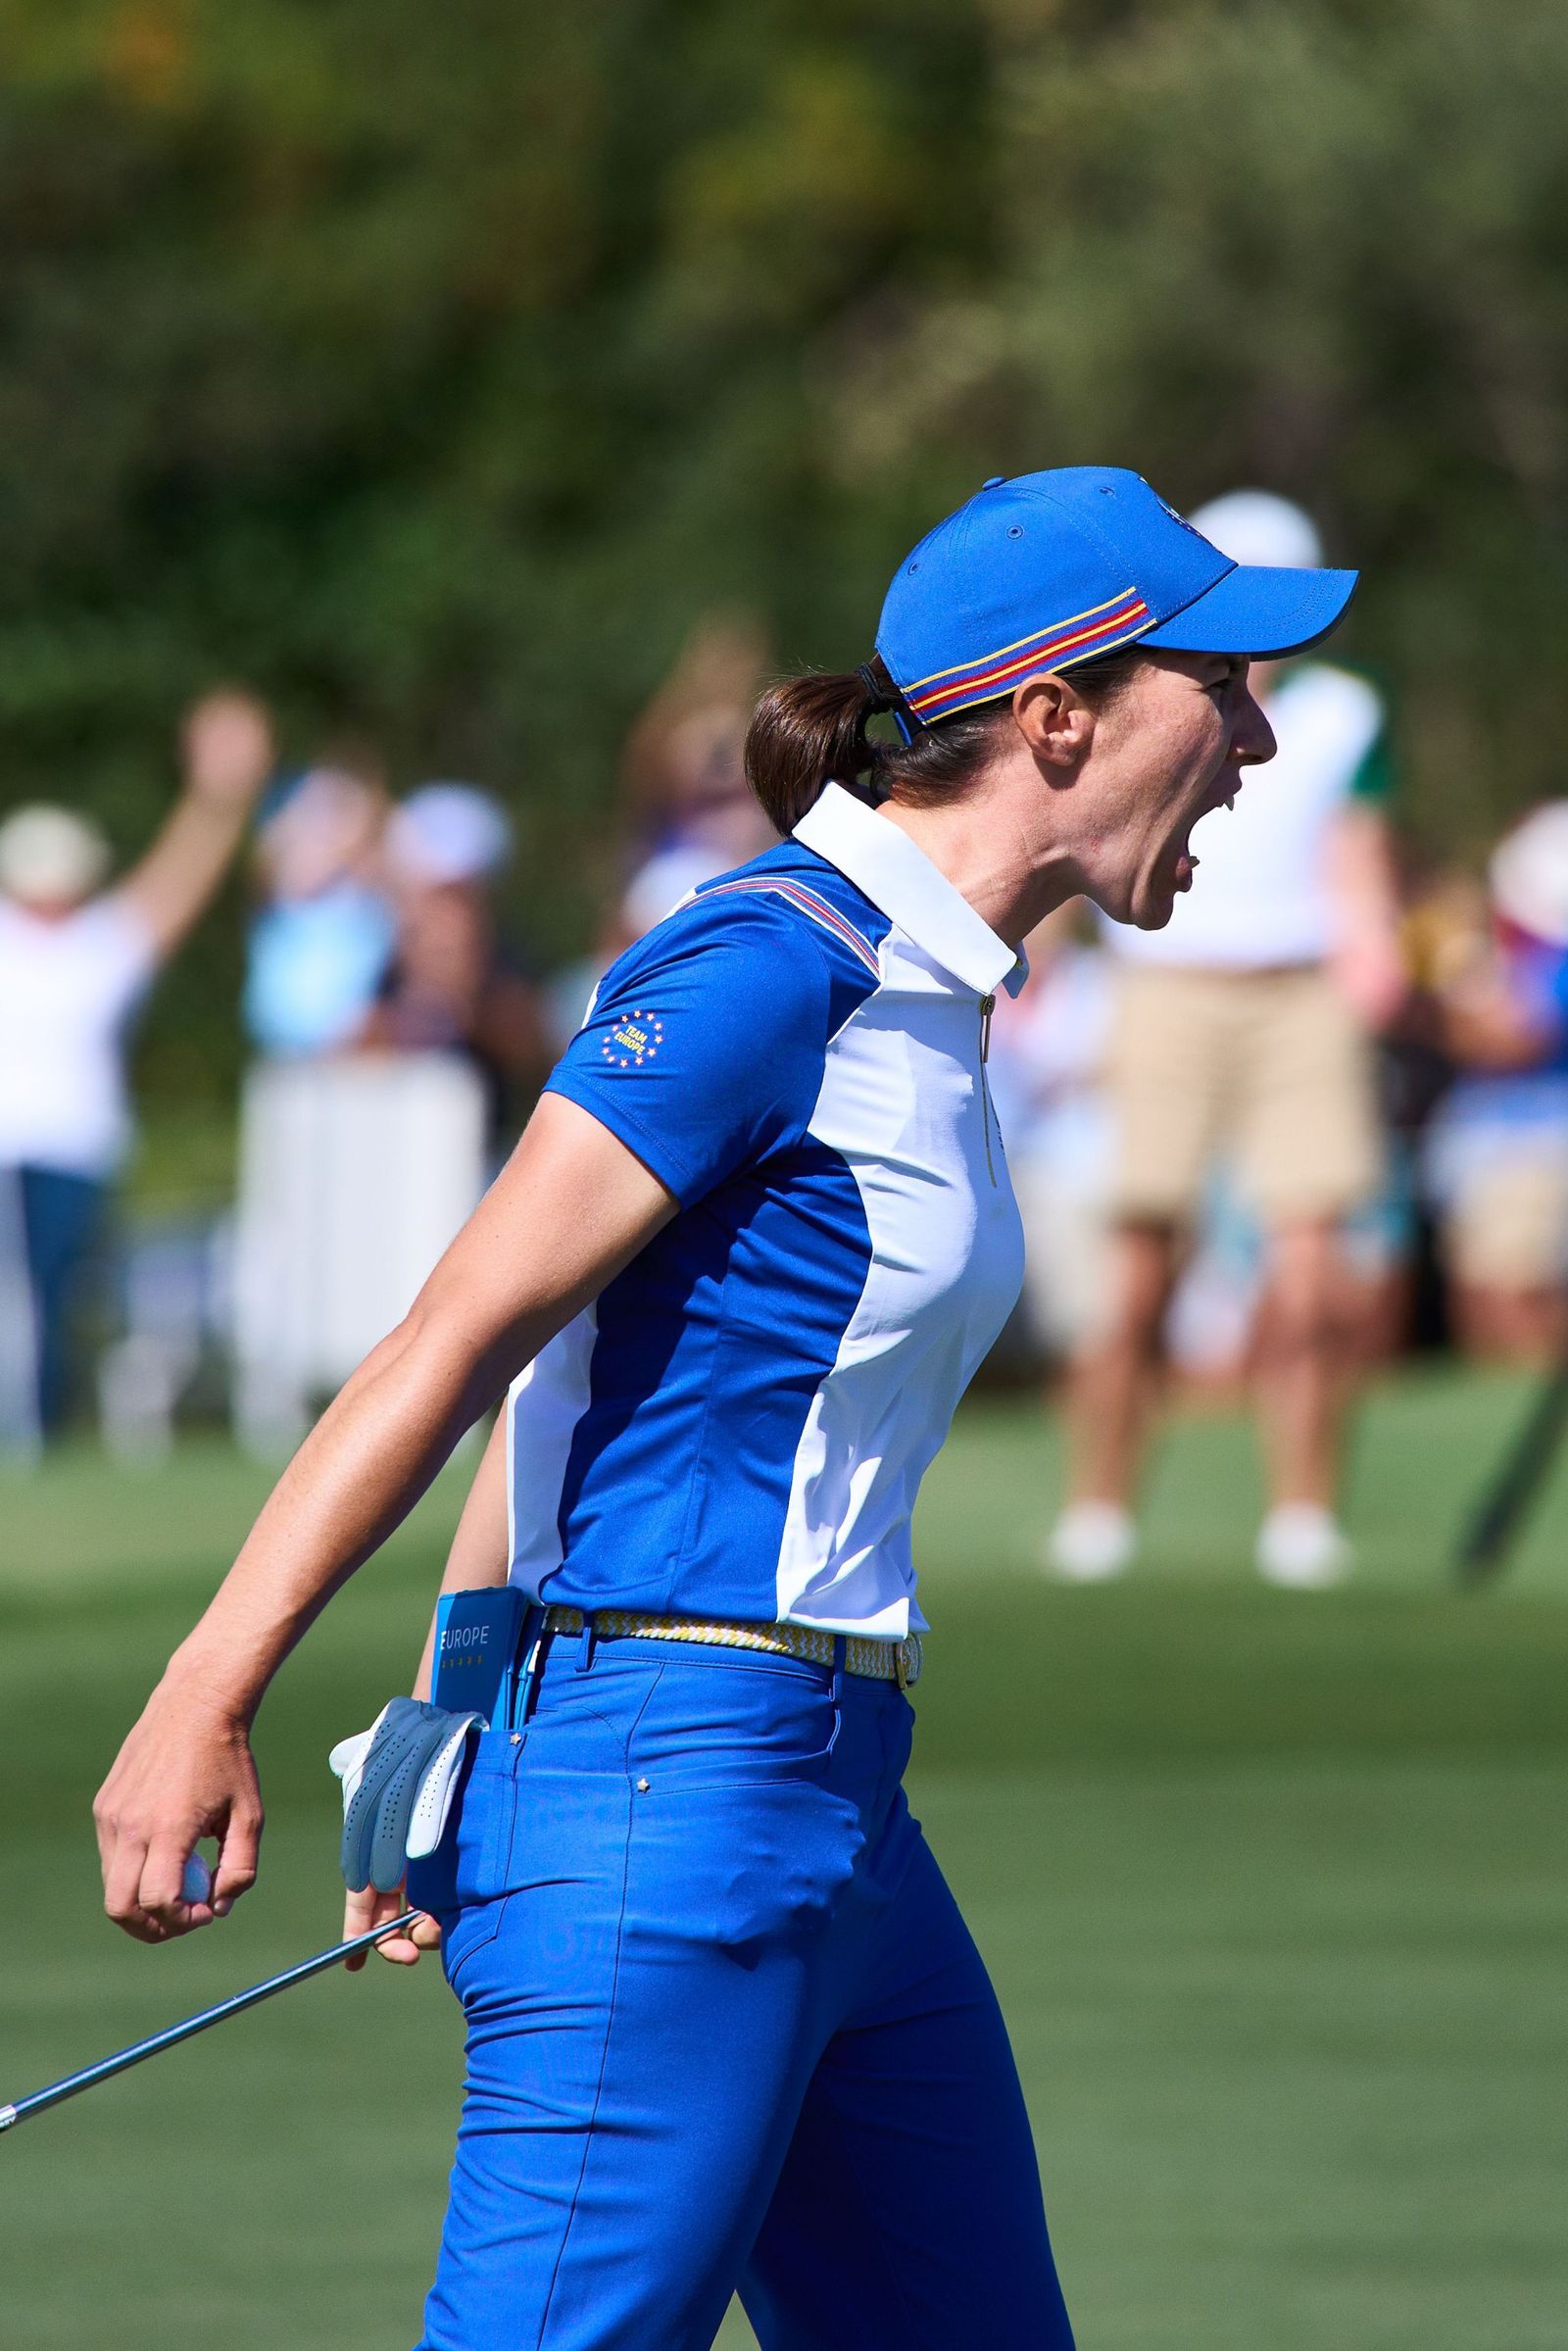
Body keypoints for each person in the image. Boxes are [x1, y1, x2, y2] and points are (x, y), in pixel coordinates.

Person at [92, 467, 1354, 2351]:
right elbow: (456, 1334)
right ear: (1060, 712)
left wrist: (450, 1699)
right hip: (666, 1805)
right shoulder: (769, 962)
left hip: (835, 1806)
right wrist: (208, 1693)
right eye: (1223, 687)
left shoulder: (939, 991)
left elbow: (586, 1368)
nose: (1261, 737)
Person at [1049, 492, 1401, 1591]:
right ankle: (1097, 1507)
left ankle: (1301, 1513)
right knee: (1142, 1270)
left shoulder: (1344, 712)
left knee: (1308, 1274)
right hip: (1164, 992)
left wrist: (1376, 954)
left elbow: (1356, 853)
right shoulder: (1143, 694)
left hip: (1297, 994)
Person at [0, 691, 273, 1442]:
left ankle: (37, 1435)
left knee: (50, 1306)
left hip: (74, 1149)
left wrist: (220, 795)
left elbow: (178, 878)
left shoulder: (100, 943)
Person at [1423, 802, 1568, 1359]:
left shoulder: (1554, 959)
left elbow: (1514, 1042)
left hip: (1531, 1144)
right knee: (1482, 1294)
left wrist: (1446, 993)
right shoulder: (1518, 951)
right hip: (1491, 1142)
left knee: (1517, 1295)